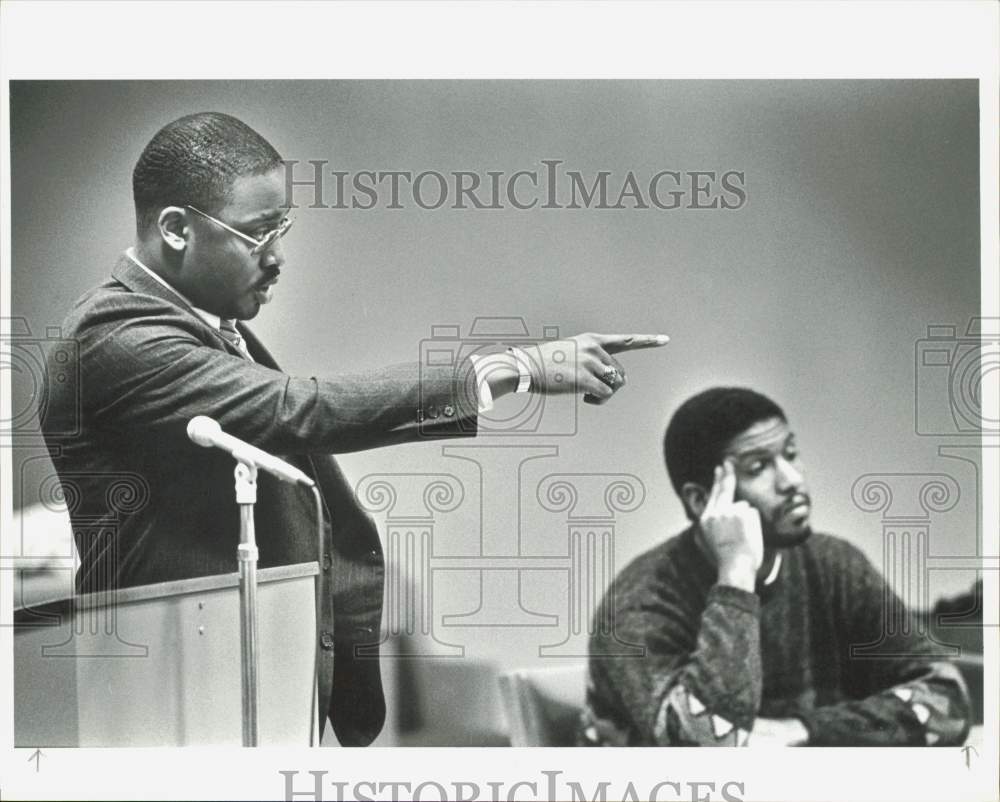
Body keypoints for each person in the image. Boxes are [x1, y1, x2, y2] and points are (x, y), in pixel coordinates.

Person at [39, 111, 669, 746]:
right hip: (175, 692)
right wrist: (517, 369)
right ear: (176, 229)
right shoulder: (114, 339)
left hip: (241, 675)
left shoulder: (201, 327)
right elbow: (302, 411)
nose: (277, 257)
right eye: (257, 235)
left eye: (280, 228)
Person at [581, 386, 971, 746]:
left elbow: (948, 701)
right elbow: (709, 748)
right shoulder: (639, 603)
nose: (792, 479)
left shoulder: (835, 565)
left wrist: (804, 731)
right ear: (702, 502)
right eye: (757, 468)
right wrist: (735, 578)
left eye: (789, 453)